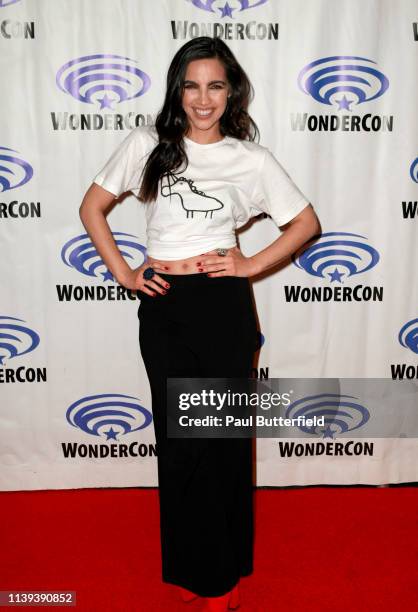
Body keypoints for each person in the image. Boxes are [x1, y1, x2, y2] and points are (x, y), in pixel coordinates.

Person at [79, 36, 319, 612]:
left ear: (230, 90)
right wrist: (125, 274)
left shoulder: (251, 158)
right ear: (177, 90)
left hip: (221, 306)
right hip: (163, 306)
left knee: (223, 441)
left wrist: (249, 264)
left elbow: (305, 223)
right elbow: (92, 209)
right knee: (181, 443)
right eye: (191, 85)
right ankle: (195, 566)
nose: (202, 98)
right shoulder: (147, 144)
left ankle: (225, 578)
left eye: (215, 85)